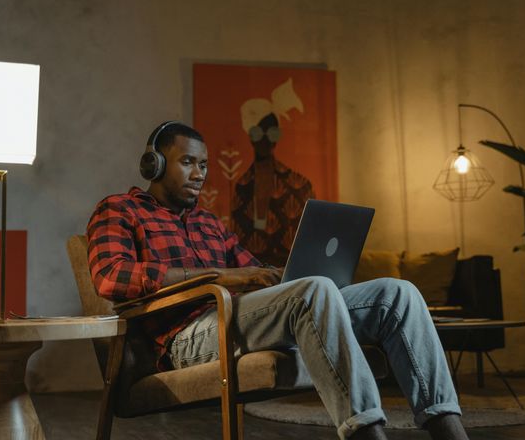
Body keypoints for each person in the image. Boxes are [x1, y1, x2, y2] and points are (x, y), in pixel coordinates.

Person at [86, 122, 468, 440]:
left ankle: (448, 428)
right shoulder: (120, 209)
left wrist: (285, 276)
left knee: (396, 293)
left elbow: (258, 276)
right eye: (187, 162)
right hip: (184, 338)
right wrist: (223, 276)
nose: (200, 173)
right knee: (312, 292)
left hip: (232, 320)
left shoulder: (208, 223)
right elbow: (110, 277)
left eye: (203, 164)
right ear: (154, 165)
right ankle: (367, 433)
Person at [231, 78, 314, 266]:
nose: (266, 140)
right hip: (252, 276)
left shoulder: (299, 185)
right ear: (250, 136)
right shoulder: (242, 187)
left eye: (273, 133)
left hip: (291, 274)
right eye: (259, 133)